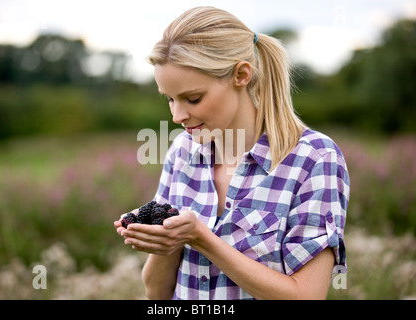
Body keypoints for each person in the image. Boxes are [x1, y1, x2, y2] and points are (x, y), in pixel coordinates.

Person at [114, 6, 350, 300]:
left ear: (241, 75)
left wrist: (202, 239)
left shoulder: (314, 159)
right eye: (170, 100)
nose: (177, 116)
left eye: (193, 98)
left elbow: (306, 296)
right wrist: (165, 235)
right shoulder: (182, 153)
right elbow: (157, 292)